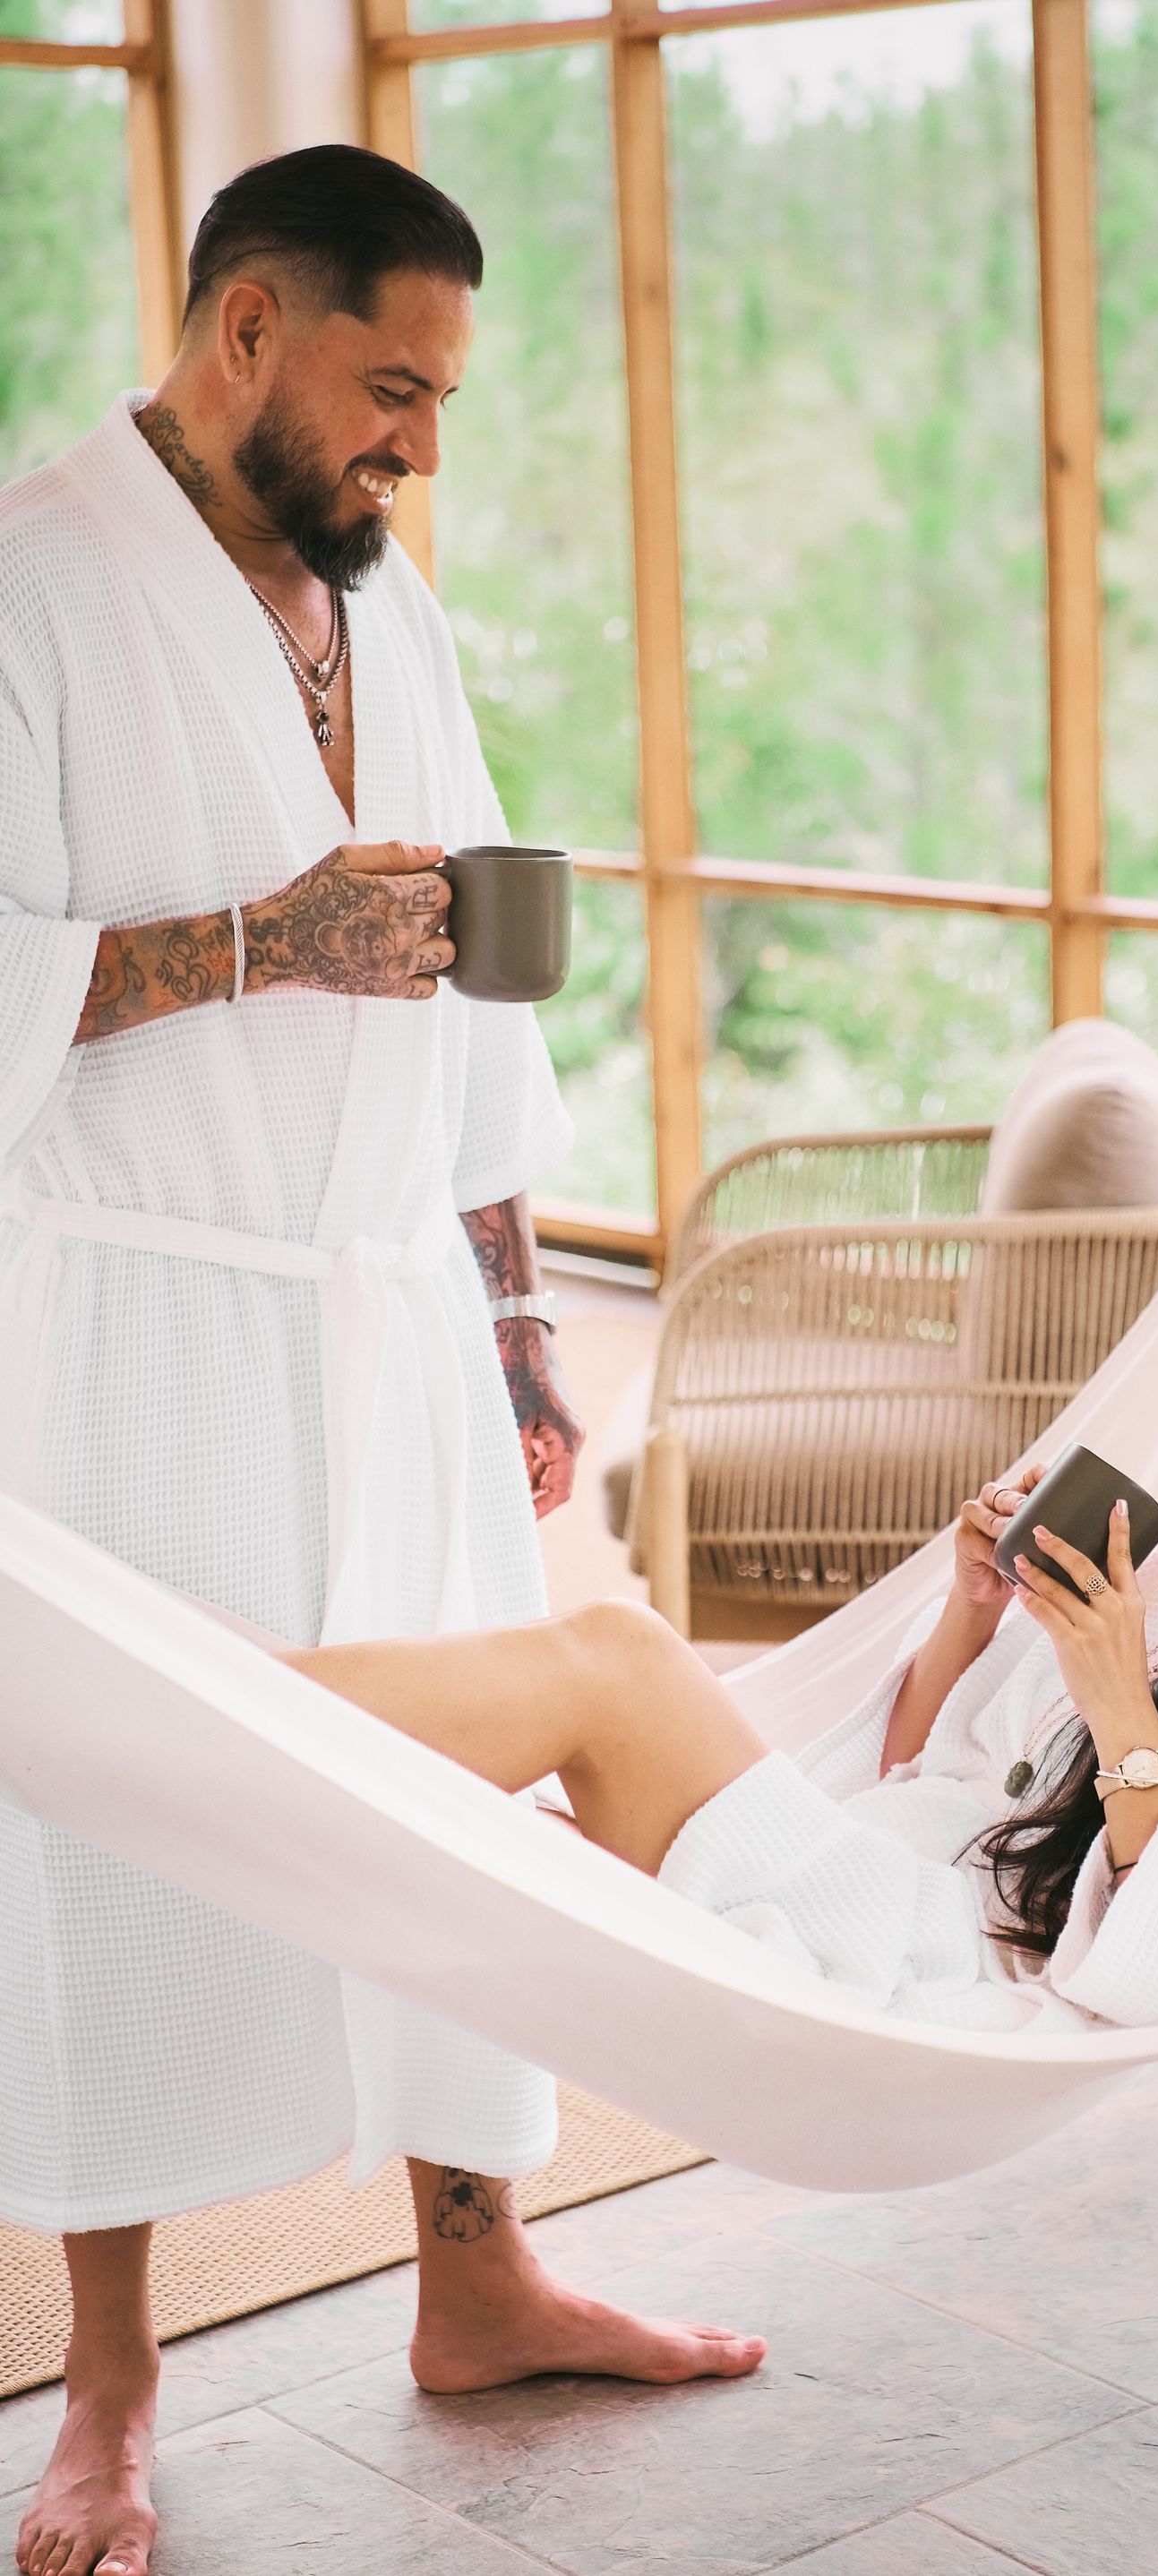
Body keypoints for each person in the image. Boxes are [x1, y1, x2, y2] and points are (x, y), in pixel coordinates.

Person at [2, 146, 758, 2576]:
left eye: (437, 398)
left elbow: (478, 958)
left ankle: (477, 2268)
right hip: (146, 1315)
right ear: (245, 332)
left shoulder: (376, 592)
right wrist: (259, 934)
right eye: (386, 388)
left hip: (394, 1299)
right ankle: (107, 2394)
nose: (414, 442)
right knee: (134, 1811)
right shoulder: (30, 578)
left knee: (451, 1806)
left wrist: (518, 1294)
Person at [287, 1263, 1158, 2039]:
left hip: (923, 1954)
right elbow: (931, 1775)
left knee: (617, 1663)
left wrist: (1121, 1705)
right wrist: (970, 1610)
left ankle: (242, 1701)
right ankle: (228, 1709)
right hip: (875, 1871)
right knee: (491, 1847)